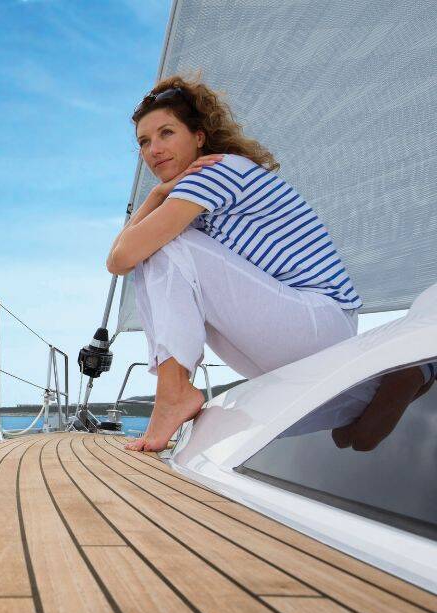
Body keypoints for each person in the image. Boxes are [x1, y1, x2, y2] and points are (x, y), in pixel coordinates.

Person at [107, 74, 362, 452]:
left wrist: (161, 197)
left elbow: (124, 256)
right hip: (297, 336)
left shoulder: (216, 170)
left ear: (199, 137)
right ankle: (175, 390)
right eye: (144, 141)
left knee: (163, 246)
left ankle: (174, 391)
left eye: (166, 133)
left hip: (322, 321)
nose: (154, 149)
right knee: (156, 247)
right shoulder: (189, 193)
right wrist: (157, 194)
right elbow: (118, 261)